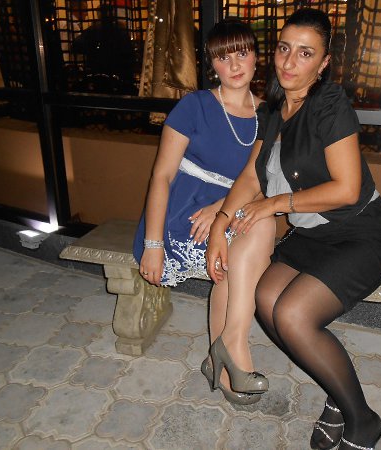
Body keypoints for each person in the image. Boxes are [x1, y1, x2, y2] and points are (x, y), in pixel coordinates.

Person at [206, 8, 381, 450]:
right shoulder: (274, 110)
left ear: (324, 62)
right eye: (284, 49)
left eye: (305, 53)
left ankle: (362, 421)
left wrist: (275, 204)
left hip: (360, 233)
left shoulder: (329, 106)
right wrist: (220, 224)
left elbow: (347, 189)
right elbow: (252, 175)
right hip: (312, 237)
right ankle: (338, 393)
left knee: (293, 315)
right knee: (265, 299)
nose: (290, 62)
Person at [132, 20, 275, 405]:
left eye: (242, 53)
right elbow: (161, 176)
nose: (235, 65)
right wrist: (152, 245)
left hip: (229, 210)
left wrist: (222, 208)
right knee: (240, 255)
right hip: (184, 213)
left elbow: (265, 180)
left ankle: (225, 354)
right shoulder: (194, 105)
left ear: (256, 57)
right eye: (223, 57)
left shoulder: (269, 114)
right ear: (212, 64)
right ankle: (229, 358)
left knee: (257, 229)